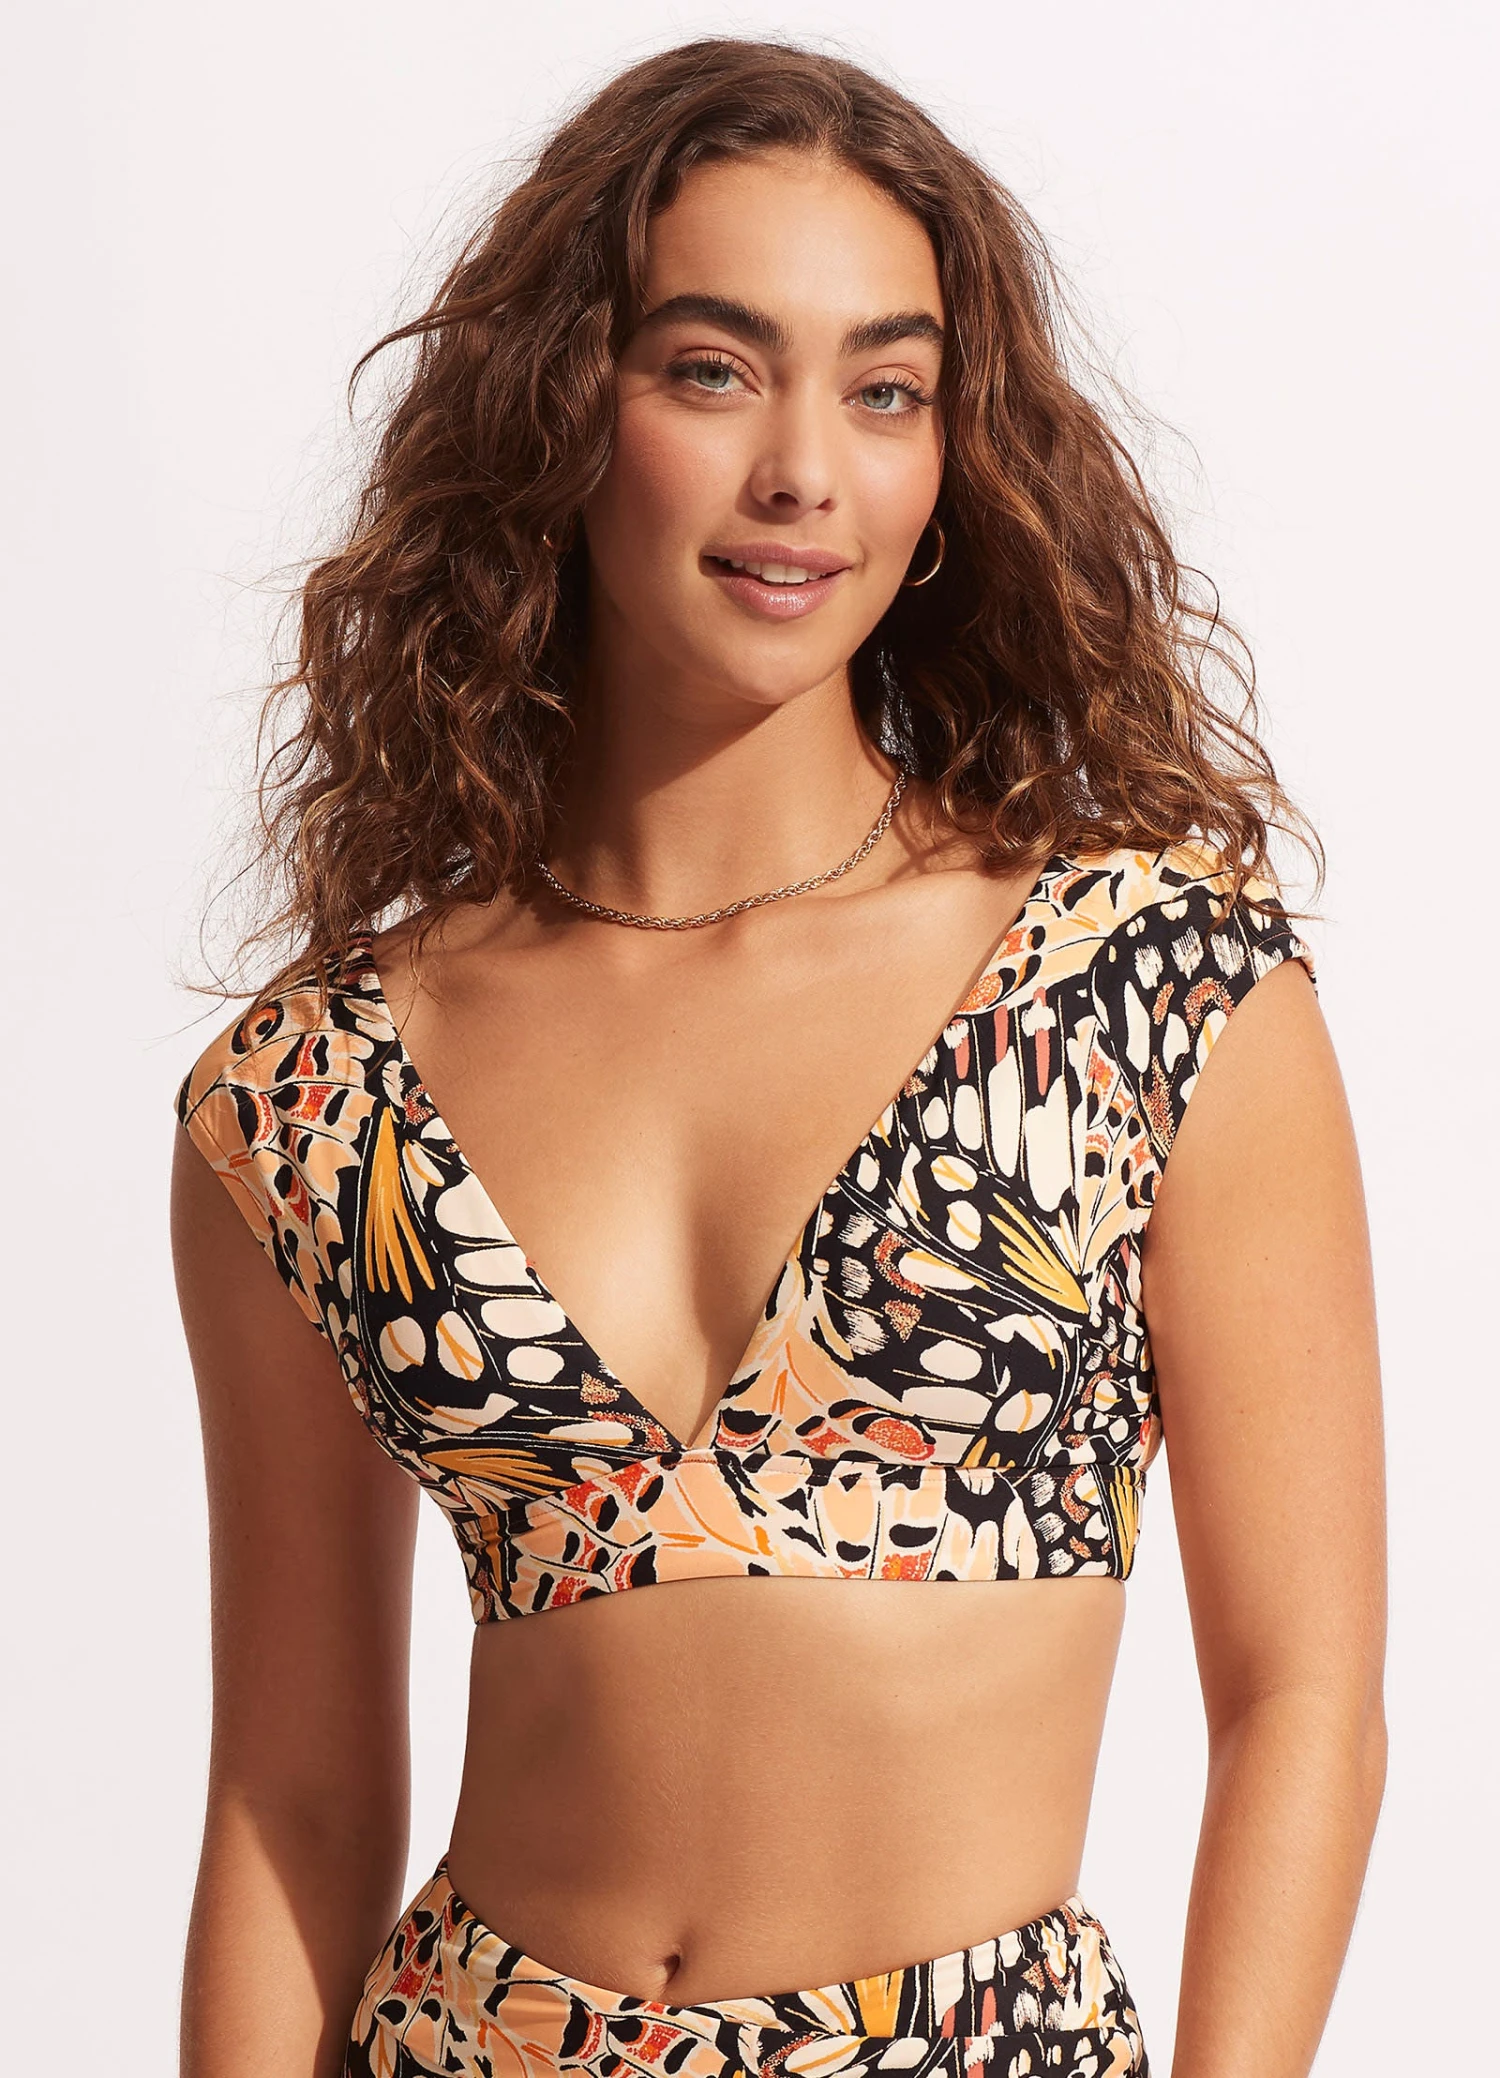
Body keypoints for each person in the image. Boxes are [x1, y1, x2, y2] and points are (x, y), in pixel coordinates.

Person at [171, 37, 1387, 2078]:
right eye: (714, 369)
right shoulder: (310, 1099)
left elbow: (1305, 1701)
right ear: (566, 409)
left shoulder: (1146, 988)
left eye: (886, 388)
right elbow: (288, 1796)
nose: (806, 469)